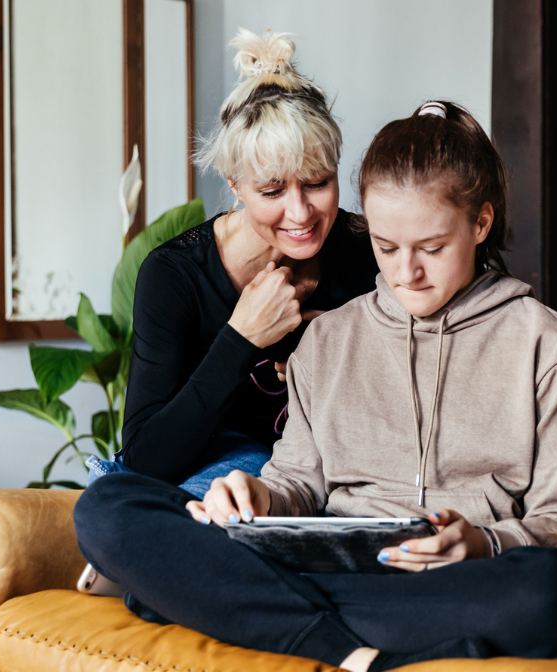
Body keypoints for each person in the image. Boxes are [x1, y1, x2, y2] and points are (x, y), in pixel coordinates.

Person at [76, 101, 557, 672]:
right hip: (325, 563)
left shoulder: (548, 346)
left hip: (448, 581)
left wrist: (481, 543)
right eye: (385, 248)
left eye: (431, 248)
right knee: (107, 506)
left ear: (480, 223)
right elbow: (295, 485)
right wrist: (258, 497)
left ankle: (223, 603)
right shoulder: (328, 336)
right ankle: (353, 655)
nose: (406, 273)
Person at [105, 29, 378, 496]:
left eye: (317, 183)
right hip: (214, 475)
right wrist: (242, 337)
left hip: (331, 477)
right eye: (272, 191)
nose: (300, 213)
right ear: (235, 185)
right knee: (113, 498)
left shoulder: (371, 249)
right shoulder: (174, 276)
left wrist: (338, 357)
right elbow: (145, 459)